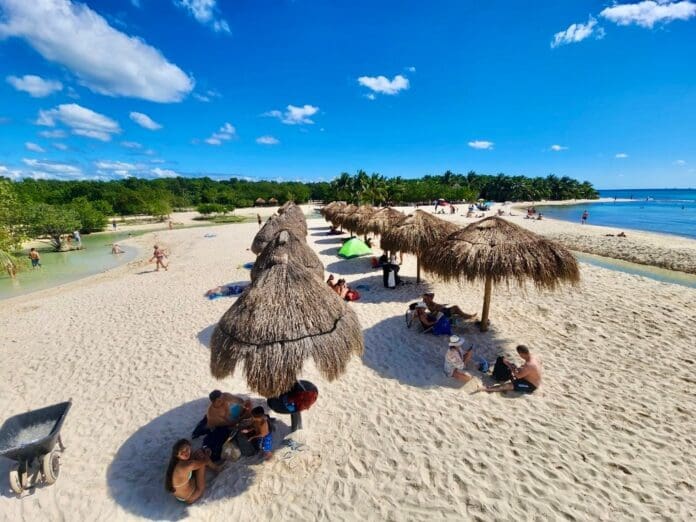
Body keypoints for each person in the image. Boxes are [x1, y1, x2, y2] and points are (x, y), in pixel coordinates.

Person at [165, 439, 220, 504]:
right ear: (177, 455)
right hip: (191, 496)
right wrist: (207, 454)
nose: (185, 453)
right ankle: (218, 469)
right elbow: (205, 461)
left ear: (190, 447)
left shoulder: (176, 462)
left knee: (198, 454)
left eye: (187, 449)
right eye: (182, 452)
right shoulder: (189, 465)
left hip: (180, 497)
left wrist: (202, 450)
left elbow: (195, 455)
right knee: (201, 458)